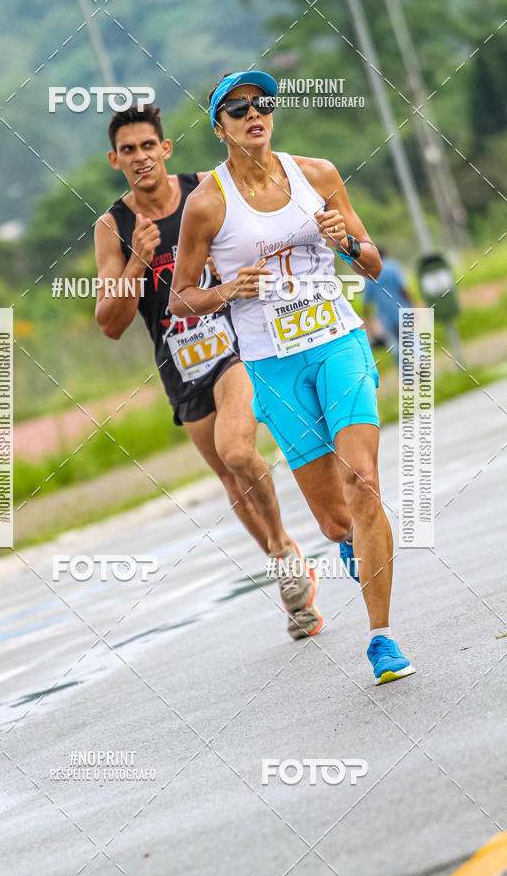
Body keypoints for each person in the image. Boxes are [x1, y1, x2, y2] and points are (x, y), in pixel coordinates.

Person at [169, 71, 415, 684]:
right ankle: (350, 546)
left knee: (363, 483)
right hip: (272, 366)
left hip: (338, 341)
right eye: (238, 108)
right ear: (219, 126)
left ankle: (382, 639)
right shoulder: (207, 204)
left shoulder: (319, 175)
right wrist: (225, 290)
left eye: (263, 104)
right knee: (337, 521)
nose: (255, 113)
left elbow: (373, 259)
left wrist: (348, 246)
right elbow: (179, 298)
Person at [94, 104, 323, 639]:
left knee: (238, 450)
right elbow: (109, 322)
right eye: (128, 150)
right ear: (115, 160)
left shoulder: (204, 192)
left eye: (148, 146)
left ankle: (288, 560)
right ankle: (284, 558)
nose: (140, 158)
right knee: (228, 474)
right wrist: (135, 263)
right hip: (180, 362)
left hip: (235, 343)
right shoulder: (114, 227)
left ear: (165, 148)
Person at [363, 248, 414, 364]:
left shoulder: (369, 275)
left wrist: (368, 322)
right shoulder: (393, 267)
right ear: (385, 255)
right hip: (402, 311)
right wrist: (411, 305)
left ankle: (403, 372)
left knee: (395, 345)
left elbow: (366, 302)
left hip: (384, 317)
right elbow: (403, 289)